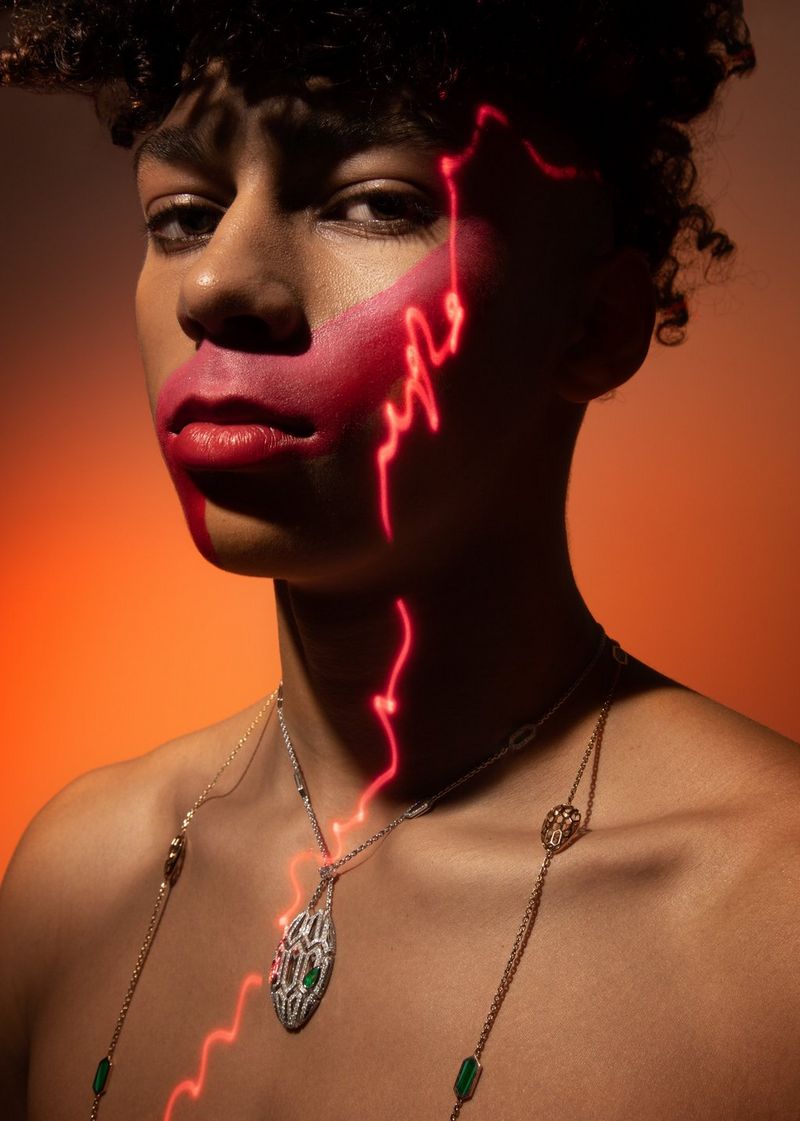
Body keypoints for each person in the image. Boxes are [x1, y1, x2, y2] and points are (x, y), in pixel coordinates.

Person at [0, 2, 797, 1119]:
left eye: (372, 202)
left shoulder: (773, 937)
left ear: (595, 323)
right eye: (182, 215)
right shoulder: (71, 881)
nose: (213, 286)